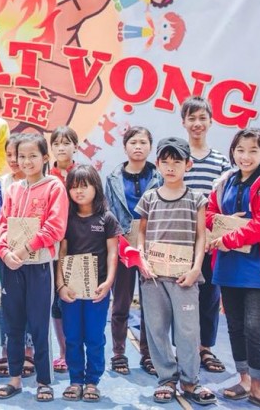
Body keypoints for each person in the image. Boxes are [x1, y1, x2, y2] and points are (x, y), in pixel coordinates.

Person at [206, 128, 260, 410]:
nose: (245, 156)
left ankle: (258, 386)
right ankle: (242, 379)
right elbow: (207, 213)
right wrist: (222, 220)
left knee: (255, 327)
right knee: (236, 325)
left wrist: (229, 237)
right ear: (233, 152)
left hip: (258, 266)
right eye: (240, 150)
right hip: (227, 264)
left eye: (253, 150)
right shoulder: (224, 181)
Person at [135, 137, 216, 405]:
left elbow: (201, 237)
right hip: (153, 278)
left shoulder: (196, 198)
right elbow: (142, 234)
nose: (171, 167)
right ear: (157, 164)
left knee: (188, 331)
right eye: (165, 162)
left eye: (177, 162)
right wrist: (142, 261)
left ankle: (191, 381)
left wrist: (195, 269)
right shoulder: (149, 198)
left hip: (185, 278)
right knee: (156, 328)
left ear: (188, 165)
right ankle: (166, 379)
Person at [0, 133, 69, 402]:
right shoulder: (13, 188)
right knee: (13, 323)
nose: (26, 161)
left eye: (32, 156)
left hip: (39, 266)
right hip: (12, 265)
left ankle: (44, 381)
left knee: (38, 324)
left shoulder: (54, 187)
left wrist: (24, 250)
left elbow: (55, 227)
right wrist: (4, 251)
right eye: (21, 156)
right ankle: (15, 378)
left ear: (45, 158)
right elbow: (3, 223)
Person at [57, 165, 120, 402]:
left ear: (96, 187)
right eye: (73, 187)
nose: (79, 192)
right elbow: (61, 253)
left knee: (94, 337)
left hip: (97, 291)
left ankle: (92, 381)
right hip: (71, 291)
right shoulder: (66, 219)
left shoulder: (107, 219)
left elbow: (113, 254)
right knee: (72, 336)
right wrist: (61, 285)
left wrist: (108, 282)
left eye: (84, 186)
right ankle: (75, 380)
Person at [104, 126, 161, 376]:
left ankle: (149, 354)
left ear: (150, 147)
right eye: (133, 142)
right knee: (121, 302)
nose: (138, 147)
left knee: (151, 304)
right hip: (124, 247)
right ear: (125, 146)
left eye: (143, 142)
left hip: (152, 247)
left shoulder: (160, 177)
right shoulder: (113, 178)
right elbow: (107, 213)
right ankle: (119, 352)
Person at [181, 96, 230, 373]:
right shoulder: (178, 156)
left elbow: (224, 203)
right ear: (183, 122)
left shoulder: (221, 162)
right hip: (180, 240)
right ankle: (184, 348)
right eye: (192, 118)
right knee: (182, 295)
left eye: (202, 118)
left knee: (209, 295)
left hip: (211, 241)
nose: (197, 124)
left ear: (211, 121)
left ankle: (205, 349)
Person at [0, 133, 35, 378]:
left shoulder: (43, 183)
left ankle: (29, 351)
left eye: (19, 155)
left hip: (34, 251)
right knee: (8, 303)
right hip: (7, 250)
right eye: (9, 155)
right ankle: (8, 351)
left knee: (33, 304)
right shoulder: (3, 182)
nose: (14, 160)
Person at [47, 126, 79, 374]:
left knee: (76, 299)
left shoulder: (84, 175)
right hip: (51, 247)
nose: (61, 147)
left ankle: (78, 351)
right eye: (56, 143)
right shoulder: (46, 176)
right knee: (56, 302)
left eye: (66, 142)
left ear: (75, 147)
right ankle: (63, 352)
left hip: (79, 244)